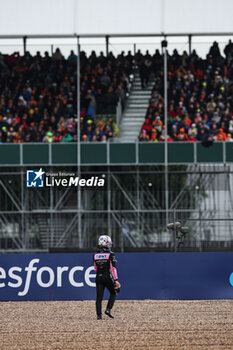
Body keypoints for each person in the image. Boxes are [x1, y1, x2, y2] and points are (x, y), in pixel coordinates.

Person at [93, 235, 121, 320]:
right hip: (107, 276)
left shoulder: (95, 255)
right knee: (113, 292)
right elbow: (113, 269)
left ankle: (99, 316)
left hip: (98, 277)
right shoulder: (111, 255)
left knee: (99, 297)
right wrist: (116, 280)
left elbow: (95, 268)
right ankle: (108, 309)